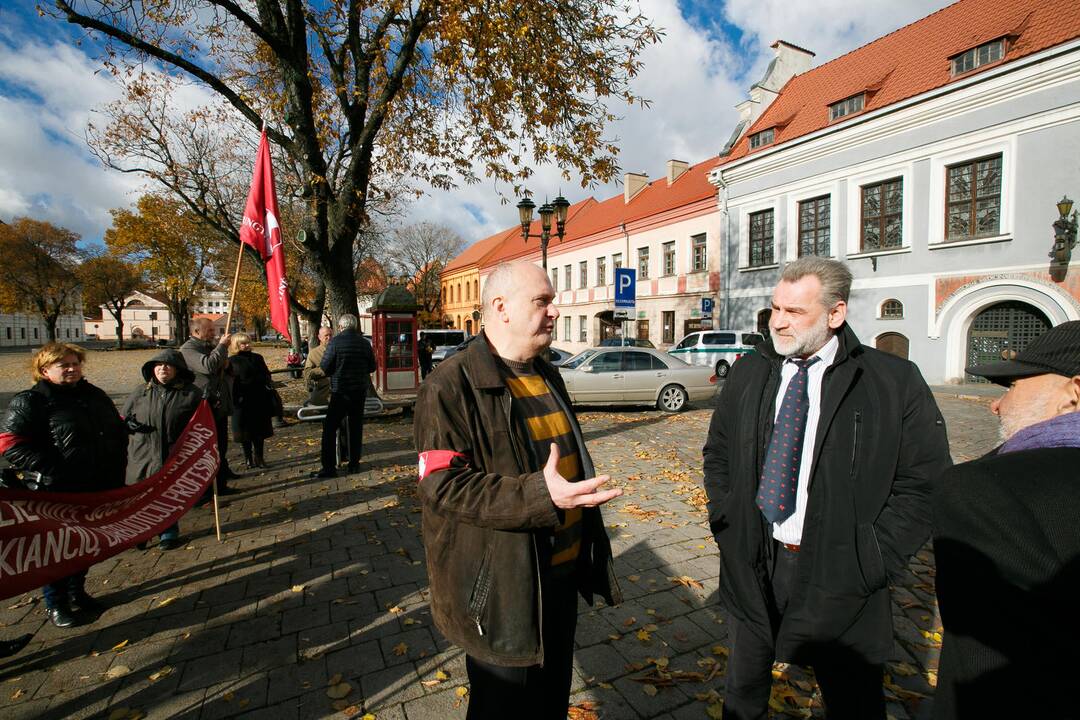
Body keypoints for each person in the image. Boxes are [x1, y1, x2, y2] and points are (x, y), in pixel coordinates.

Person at [702, 257, 952, 720]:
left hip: (842, 569)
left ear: (835, 315)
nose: (777, 322)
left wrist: (869, 557)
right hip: (754, 558)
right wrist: (726, 518)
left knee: (853, 698)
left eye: (795, 312)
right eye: (775, 308)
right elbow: (718, 451)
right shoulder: (750, 371)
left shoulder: (892, 381)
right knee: (743, 693)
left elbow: (925, 483)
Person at [415, 261, 623, 720]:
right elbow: (442, 487)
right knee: (503, 709)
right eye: (542, 301)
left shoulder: (549, 374)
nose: (554, 310)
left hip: (561, 579)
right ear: (501, 307)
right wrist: (539, 497)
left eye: (552, 300)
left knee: (550, 705)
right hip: (504, 589)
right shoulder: (449, 386)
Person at [932, 321, 1080, 720]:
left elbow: (985, 660)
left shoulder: (983, 489)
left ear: (1074, 393)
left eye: (1013, 385)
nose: (996, 404)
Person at [0, 342, 128, 628]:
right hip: (56, 490)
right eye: (64, 365)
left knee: (85, 542)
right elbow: (9, 443)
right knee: (57, 548)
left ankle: (77, 591)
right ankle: (55, 603)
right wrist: (51, 468)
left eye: (75, 363)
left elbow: (110, 423)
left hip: (95, 484)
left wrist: (125, 427)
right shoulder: (32, 401)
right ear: (45, 370)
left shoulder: (93, 394)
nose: (72, 369)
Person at [122, 348, 202, 550]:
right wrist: (128, 424)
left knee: (167, 495)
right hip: (143, 453)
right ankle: (142, 532)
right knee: (141, 497)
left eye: (167, 365)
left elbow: (204, 423)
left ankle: (168, 531)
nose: (163, 369)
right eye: (158, 365)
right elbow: (123, 417)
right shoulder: (141, 391)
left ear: (177, 369)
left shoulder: (191, 393)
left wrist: (213, 406)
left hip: (174, 452)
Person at [180, 317, 238, 494]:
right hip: (203, 406)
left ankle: (221, 478)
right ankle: (209, 488)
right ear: (197, 332)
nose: (214, 333)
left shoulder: (209, 347)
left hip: (218, 403)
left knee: (220, 444)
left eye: (214, 330)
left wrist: (227, 364)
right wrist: (221, 347)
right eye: (210, 330)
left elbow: (224, 369)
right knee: (207, 448)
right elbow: (208, 366)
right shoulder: (188, 349)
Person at [314, 314, 376, 478]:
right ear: (355, 326)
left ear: (340, 327)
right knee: (356, 428)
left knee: (329, 428)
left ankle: (329, 467)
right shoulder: (364, 343)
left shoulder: (334, 343)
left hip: (340, 391)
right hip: (359, 391)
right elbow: (372, 367)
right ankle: (354, 464)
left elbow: (325, 367)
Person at [228, 333, 275, 469]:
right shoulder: (232, 361)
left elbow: (266, 373)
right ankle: (248, 458)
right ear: (237, 345)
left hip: (259, 399)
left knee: (260, 432)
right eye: (243, 343)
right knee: (245, 433)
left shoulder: (257, 358)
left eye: (248, 342)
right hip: (242, 401)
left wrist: (265, 381)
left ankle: (259, 457)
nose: (247, 345)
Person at [303, 325, 334, 406]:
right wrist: (323, 370)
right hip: (322, 393)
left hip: (338, 392)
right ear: (319, 337)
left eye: (330, 335)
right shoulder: (314, 353)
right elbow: (307, 373)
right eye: (326, 335)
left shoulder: (338, 350)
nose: (329, 338)